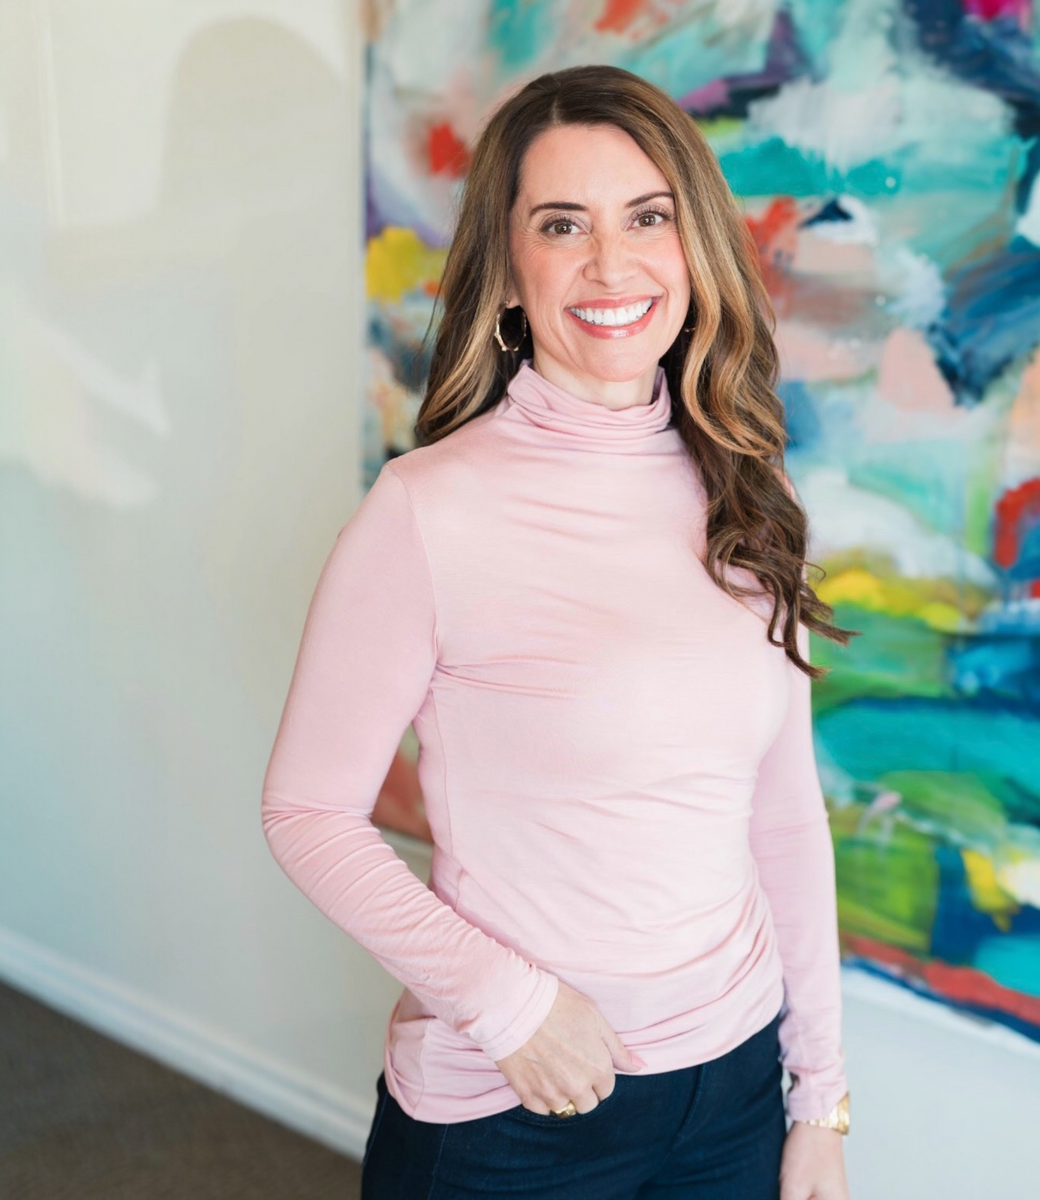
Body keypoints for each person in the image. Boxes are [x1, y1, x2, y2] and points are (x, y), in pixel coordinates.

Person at [262, 64, 852, 1200]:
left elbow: (784, 816)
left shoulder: (748, 490)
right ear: (508, 275)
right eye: (562, 225)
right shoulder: (426, 511)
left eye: (648, 218)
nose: (612, 264)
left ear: (695, 250)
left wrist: (817, 1097)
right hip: (519, 1109)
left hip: (733, 1090)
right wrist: (510, 1003)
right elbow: (307, 812)